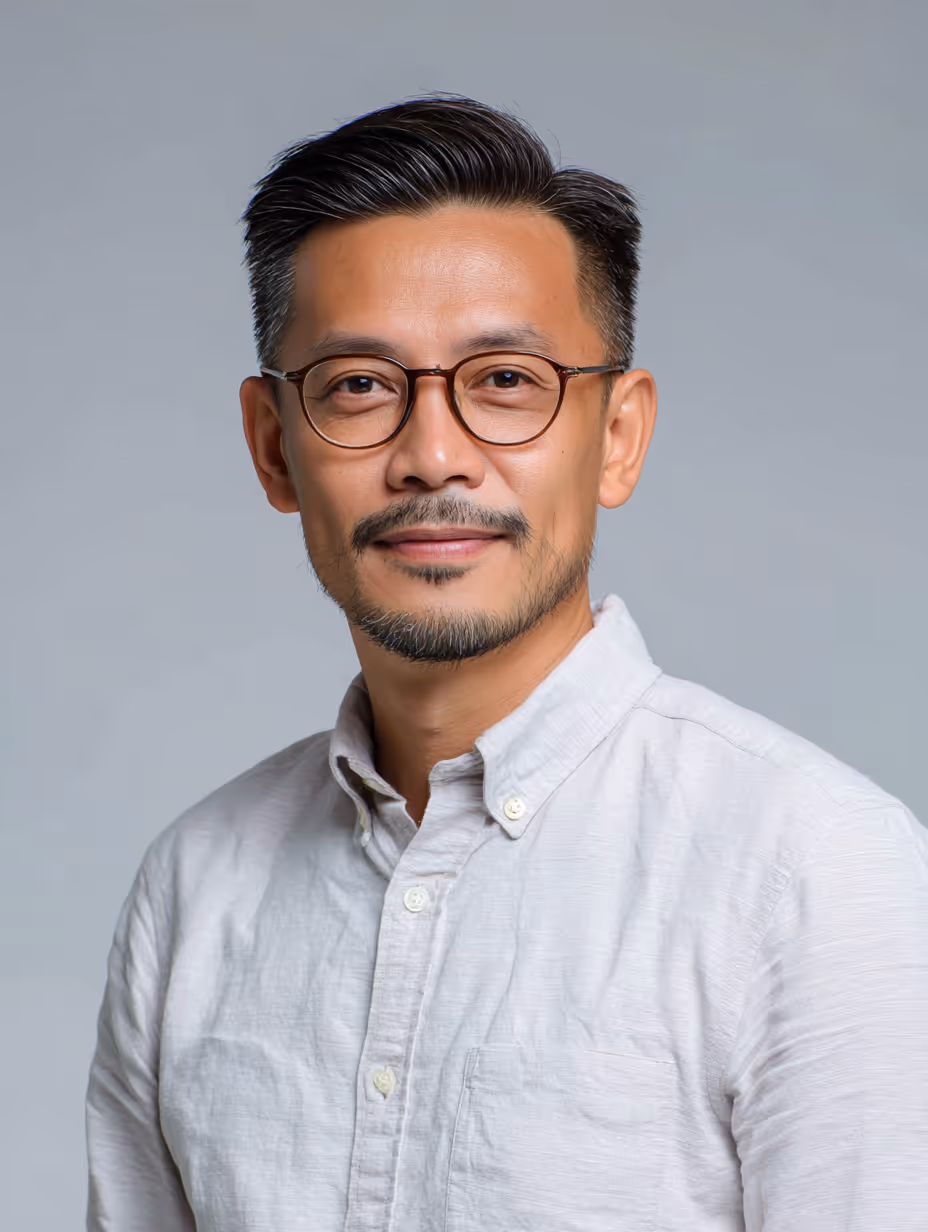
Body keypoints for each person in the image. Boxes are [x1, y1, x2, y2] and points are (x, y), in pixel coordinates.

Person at [85, 96, 928, 1232]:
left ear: (618, 434)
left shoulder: (817, 872)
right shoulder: (196, 889)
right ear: (272, 447)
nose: (431, 453)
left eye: (505, 382)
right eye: (357, 387)